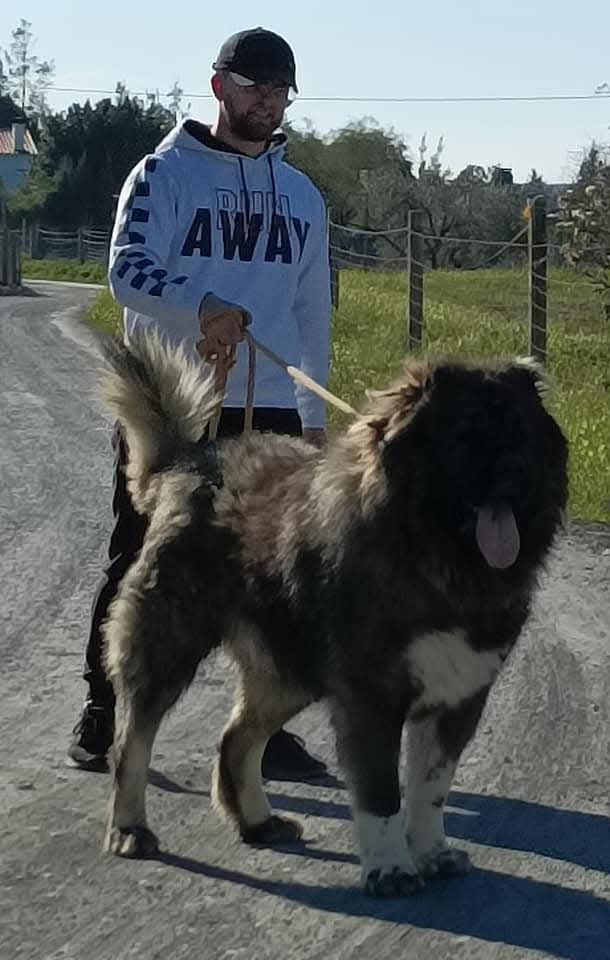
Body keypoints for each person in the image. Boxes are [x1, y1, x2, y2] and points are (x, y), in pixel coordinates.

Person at [67, 27, 332, 782]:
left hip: (274, 400)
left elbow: (312, 306)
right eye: (253, 87)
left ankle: (266, 726)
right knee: (145, 556)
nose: (266, 102)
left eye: (279, 90)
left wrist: (314, 414)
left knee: (275, 572)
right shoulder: (164, 174)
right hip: (181, 402)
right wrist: (205, 304)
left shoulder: (304, 195)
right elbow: (128, 273)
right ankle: (102, 710)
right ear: (219, 86)